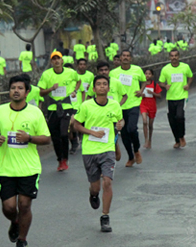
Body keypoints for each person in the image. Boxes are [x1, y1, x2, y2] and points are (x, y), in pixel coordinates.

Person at [0, 74, 51, 247]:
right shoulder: (0, 110)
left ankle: (22, 240)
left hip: (29, 168)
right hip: (6, 168)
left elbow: (46, 138)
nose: (16, 91)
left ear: (27, 92)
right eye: (13, 88)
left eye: (20, 88)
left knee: (24, 205)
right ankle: (15, 222)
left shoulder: (35, 113)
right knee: (8, 207)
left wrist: (29, 138)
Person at [73, 75, 125, 233]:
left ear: (109, 88)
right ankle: (93, 194)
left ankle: (105, 217)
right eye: (99, 85)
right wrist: (91, 133)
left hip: (107, 149)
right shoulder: (86, 106)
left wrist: (120, 124)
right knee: (95, 187)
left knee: (107, 182)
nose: (102, 87)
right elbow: (76, 124)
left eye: (105, 84)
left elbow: (120, 120)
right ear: (93, 89)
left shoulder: (115, 105)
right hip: (90, 150)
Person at [38, 51, 82, 171]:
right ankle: (60, 159)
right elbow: (41, 92)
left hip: (67, 106)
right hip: (53, 107)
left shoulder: (70, 72)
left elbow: (79, 80)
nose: (56, 61)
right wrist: (51, 89)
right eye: (54, 59)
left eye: (58, 58)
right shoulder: (47, 74)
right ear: (51, 62)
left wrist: (75, 91)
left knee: (64, 133)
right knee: (55, 135)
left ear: (62, 61)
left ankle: (64, 160)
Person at [110, 50, 147, 167]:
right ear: (120, 58)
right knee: (124, 134)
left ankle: (136, 150)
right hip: (119, 106)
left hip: (133, 103)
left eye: (127, 56)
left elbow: (144, 81)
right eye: (123, 56)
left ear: (131, 58)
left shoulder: (137, 70)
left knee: (132, 128)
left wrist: (141, 91)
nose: (125, 58)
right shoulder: (113, 73)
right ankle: (131, 157)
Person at [159, 49, 193, 149]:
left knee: (179, 116)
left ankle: (181, 136)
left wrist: (188, 84)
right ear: (169, 57)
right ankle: (177, 140)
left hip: (182, 96)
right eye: (172, 56)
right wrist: (165, 86)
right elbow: (160, 82)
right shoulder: (165, 69)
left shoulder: (185, 67)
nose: (174, 58)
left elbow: (190, 77)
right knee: (172, 119)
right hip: (170, 97)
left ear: (179, 56)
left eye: (176, 56)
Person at [140, 68, 162, 149]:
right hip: (143, 105)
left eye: (149, 74)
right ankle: (146, 140)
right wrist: (141, 95)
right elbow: (137, 93)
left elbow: (159, 95)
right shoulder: (141, 84)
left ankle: (150, 140)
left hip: (152, 106)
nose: (147, 75)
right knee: (144, 121)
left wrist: (152, 93)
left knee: (150, 124)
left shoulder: (155, 84)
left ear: (152, 75)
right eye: (146, 73)